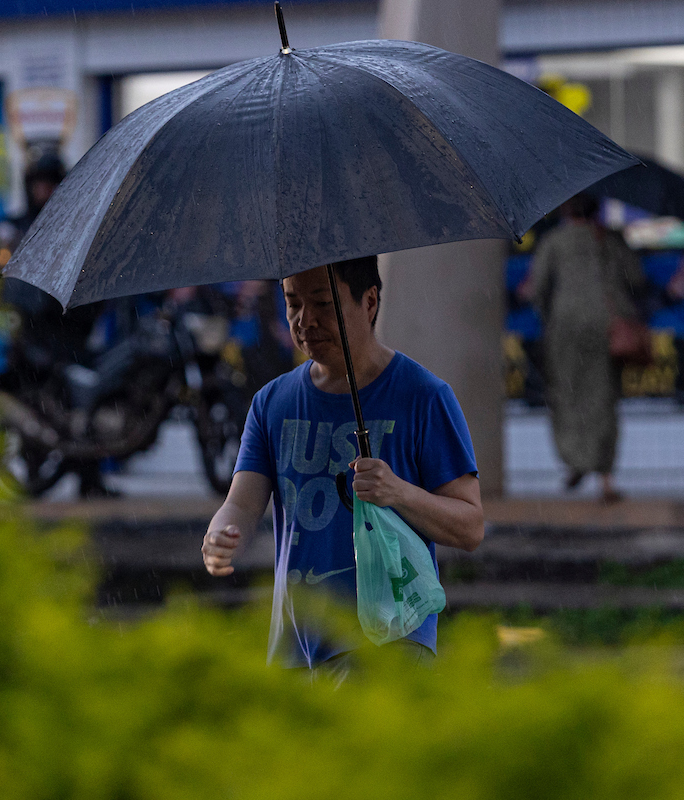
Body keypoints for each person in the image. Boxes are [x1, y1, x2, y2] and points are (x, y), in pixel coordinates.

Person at [199, 257, 484, 676]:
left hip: (389, 643)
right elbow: (242, 504)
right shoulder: (271, 403)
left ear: (369, 302)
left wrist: (398, 492)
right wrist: (220, 533)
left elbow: (470, 526)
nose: (305, 320)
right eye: (293, 303)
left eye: (323, 303)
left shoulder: (424, 397)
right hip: (296, 649)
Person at [0, 152, 116, 498]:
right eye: (38, 184)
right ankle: (34, 467)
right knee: (41, 402)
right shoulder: (12, 229)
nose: (43, 190)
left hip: (73, 332)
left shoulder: (79, 228)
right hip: (33, 336)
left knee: (85, 406)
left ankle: (91, 480)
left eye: (50, 184)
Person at [524, 194, 646, 504]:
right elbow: (636, 279)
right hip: (606, 328)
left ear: (566, 209)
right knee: (603, 398)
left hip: (565, 328)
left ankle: (576, 460)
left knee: (566, 395)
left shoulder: (554, 241)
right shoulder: (610, 239)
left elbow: (537, 289)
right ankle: (605, 477)